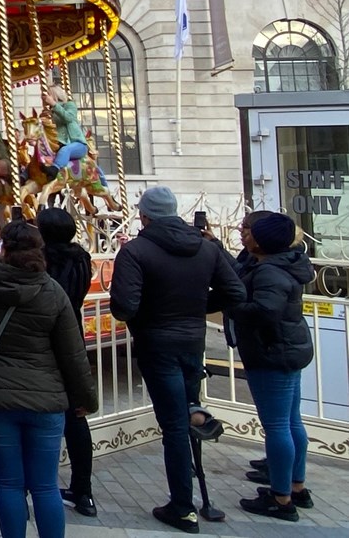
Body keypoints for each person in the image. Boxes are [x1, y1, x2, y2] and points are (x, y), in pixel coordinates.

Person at [0, 219, 97, 538]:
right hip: (46, 400)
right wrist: (85, 399)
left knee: (9, 484)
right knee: (44, 486)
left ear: (3, 249)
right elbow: (73, 353)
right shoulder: (51, 291)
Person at [109, 186, 245, 533]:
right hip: (190, 341)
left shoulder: (135, 251)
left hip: (157, 343)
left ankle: (182, 506)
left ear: (144, 215)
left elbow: (124, 307)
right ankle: (197, 428)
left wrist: (149, 314)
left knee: (173, 425)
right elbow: (236, 292)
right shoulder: (205, 247)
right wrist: (196, 308)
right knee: (183, 411)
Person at [231, 212, 315, 520]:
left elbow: (264, 310)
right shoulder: (289, 262)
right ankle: (296, 486)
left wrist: (234, 306)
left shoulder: (268, 271)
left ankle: (281, 499)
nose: (246, 236)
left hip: (271, 351)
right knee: (292, 421)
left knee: (278, 426)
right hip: (289, 347)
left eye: (251, 233)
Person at [36, 208, 96, 517]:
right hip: (72, 331)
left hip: (44, 336)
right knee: (75, 417)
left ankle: (33, 485)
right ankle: (83, 490)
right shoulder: (82, 259)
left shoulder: (42, 261)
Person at [41, 85, 88, 179]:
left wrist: (54, 104)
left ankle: (55, 169)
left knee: (65, 150)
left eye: (48, 95)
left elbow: (69, 118)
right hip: (58, 145)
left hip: (76, 144)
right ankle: (23, 176)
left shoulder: (69, 105)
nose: (46, 99)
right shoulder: (51, 111)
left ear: (55, 95)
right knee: (38, 155)